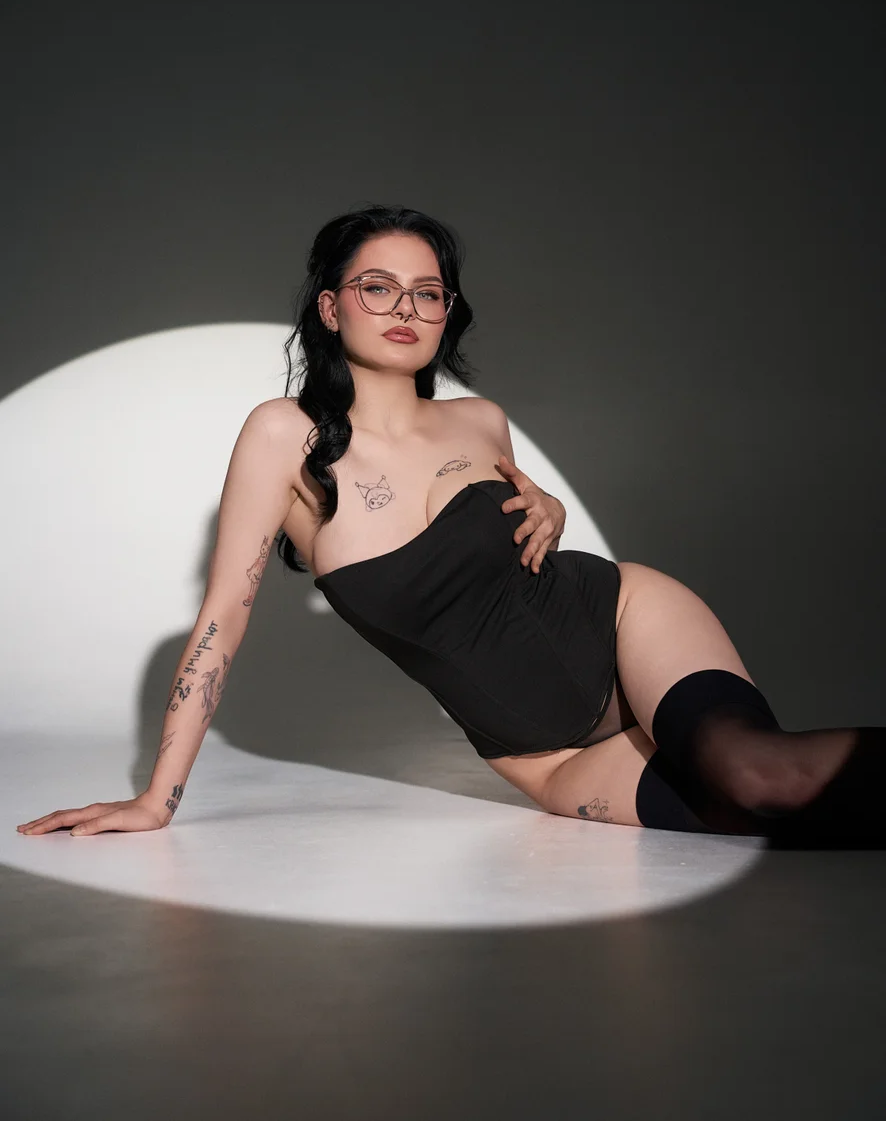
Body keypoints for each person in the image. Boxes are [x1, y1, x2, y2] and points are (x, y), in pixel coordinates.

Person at [17, 204, 885, 847]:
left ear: (446, 313)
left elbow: (518, 552)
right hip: (544, 757)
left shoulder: (481, 421)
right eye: (377, 287)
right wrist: (155, 801)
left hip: (627, 622)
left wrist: (549, 511)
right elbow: (222, 619)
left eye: (427, 293)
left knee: (759, 776)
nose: (405, 307)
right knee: (749, 816)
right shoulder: (284, 436)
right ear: (330, 308)